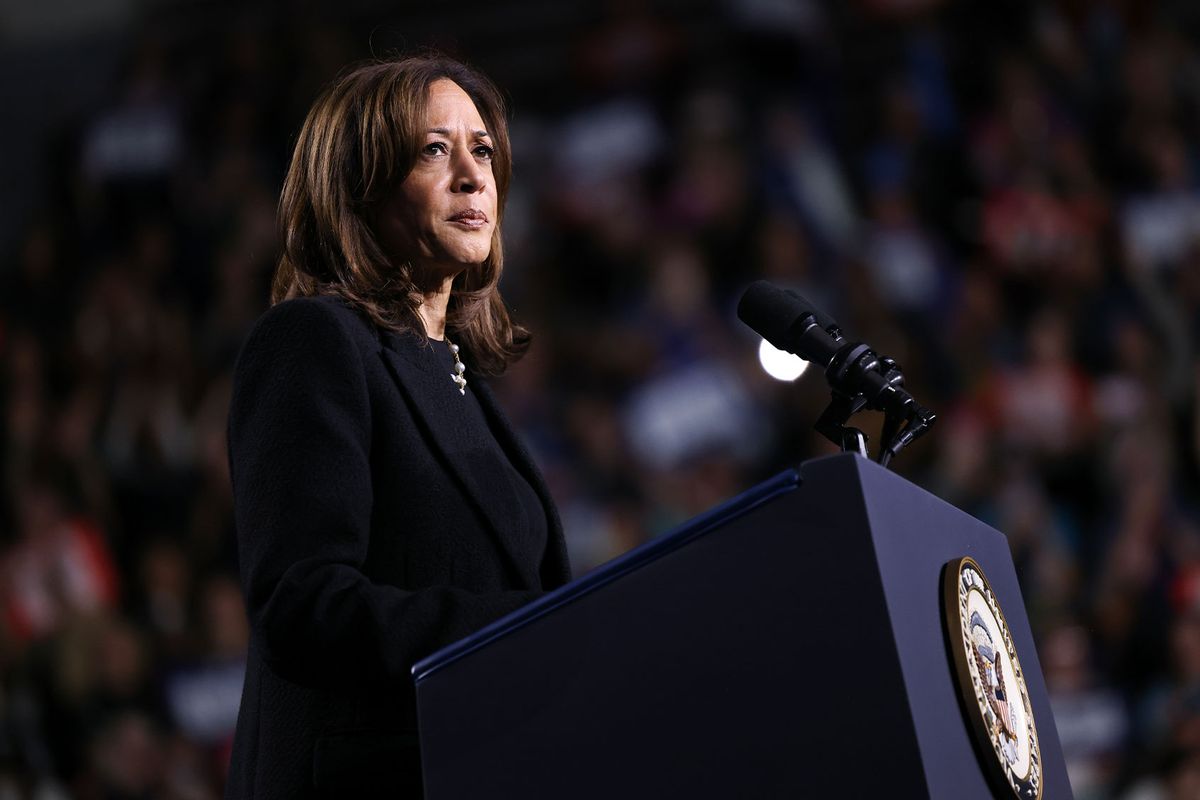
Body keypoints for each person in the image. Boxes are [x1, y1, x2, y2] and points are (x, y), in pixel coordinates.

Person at [223, 55, 571, 799]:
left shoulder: (459, 378)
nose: (474, 176)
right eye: (433, 150)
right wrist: (532, 625)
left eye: (481, 150)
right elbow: (303, 604)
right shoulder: (312, 343)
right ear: (358, 185)